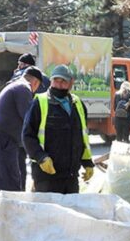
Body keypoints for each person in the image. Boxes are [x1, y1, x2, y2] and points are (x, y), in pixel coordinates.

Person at [22, 64, 94, 194]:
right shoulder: (40, 102)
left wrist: (87, 162)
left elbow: (81, 136)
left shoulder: (77, 104)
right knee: (48, 214)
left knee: (70, 213)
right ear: (51, 81)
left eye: (63, 81)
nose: (59, 85)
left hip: (71, 177)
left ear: (71, 83)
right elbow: (27, 135)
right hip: (46, 176)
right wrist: (41, 157)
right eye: (56, 80)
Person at [0, 66, 42, 191]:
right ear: (36, 82)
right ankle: (9, 210)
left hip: (1, 138)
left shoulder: (16, 86)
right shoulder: (23, 89)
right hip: (2, 138)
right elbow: (29, 119)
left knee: (9, 180)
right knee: (10, 183)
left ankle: (8, 209)